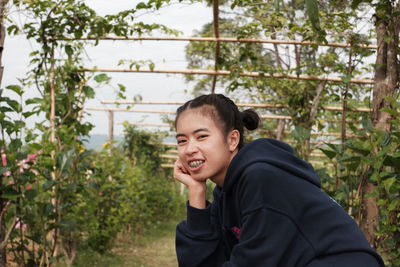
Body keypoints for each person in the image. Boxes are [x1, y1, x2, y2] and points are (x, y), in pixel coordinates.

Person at [173, 94, 384, 267]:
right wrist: (196, 193)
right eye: (182, 140)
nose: (190, 149)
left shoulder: (262, 178)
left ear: (232, 139)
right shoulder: (225, 192)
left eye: (201, 137)